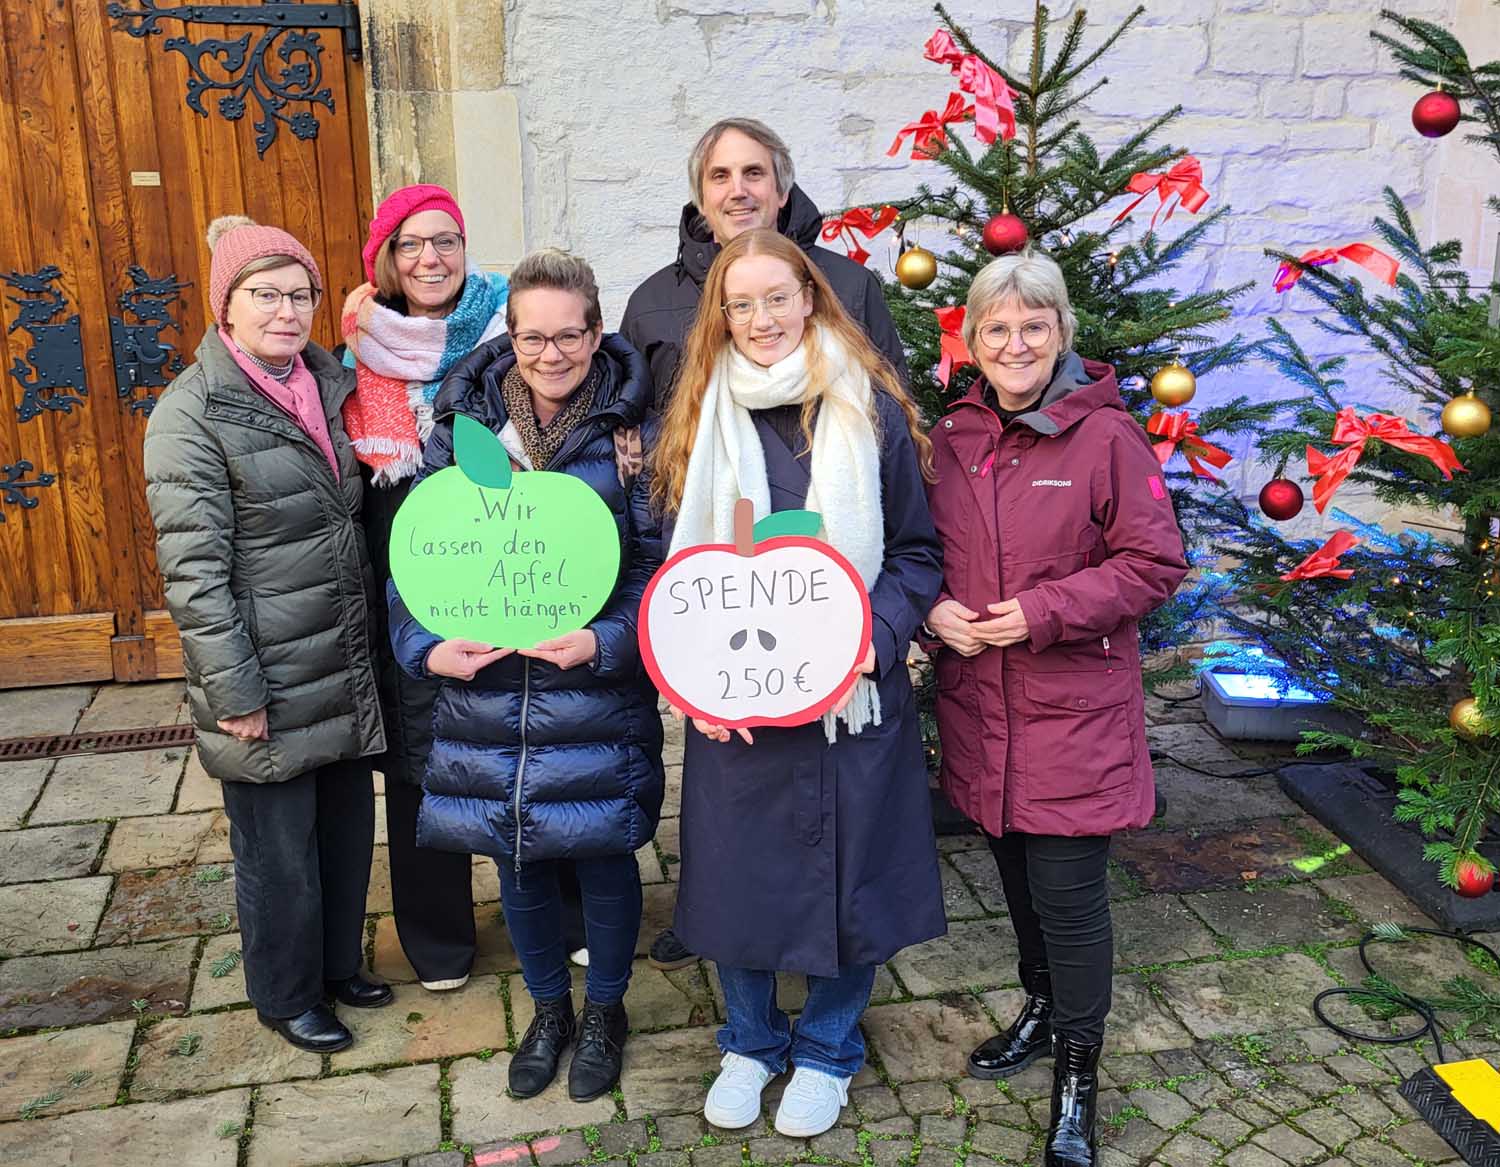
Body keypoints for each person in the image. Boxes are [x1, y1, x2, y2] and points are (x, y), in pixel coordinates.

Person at [649, 227, 946, 1138]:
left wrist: (873, 638)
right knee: (735, 877)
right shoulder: (701, 419)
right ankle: (749, 1039)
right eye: (740, 303)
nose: (761, 317)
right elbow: (684, 580)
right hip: (738, 701)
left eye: (777, 297)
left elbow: (917, 553)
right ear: (720, 315)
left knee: (854, 878)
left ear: (810, 297)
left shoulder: (869, 410)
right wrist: (696, 682)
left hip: (853, 700)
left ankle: (826, 1047)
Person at [621, 115, 910, 973]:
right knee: (738, 843)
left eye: (754, 172)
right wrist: (686, 657)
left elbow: (902, 498)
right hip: (731, 636)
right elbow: (642, 456)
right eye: (720, 175)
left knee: (845, 842)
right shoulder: (656, 312)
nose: (738, 188)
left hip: (842, 642)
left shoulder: (854, 306)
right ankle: (742, 1001)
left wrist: (880, 630)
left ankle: (830, 1020)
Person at [922, 251, 1188, 1167]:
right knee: (1018, 887)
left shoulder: (1106, 436)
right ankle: (1039, 1007)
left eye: (1033, 325)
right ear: (971, 339)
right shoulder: (950, 437)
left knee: (1071, 904)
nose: (1015, 344)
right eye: (996, 328)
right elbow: (920, 552)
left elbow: (1154, 562)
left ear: (1062, 331)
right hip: (980, 712)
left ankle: (1079, 1073)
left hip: (1072, 714)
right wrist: (931, 610)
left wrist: (1043, 611)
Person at [388, 249, 663, 1103]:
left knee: (606, 855)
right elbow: (416, 556)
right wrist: (425, 647)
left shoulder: (632, 433)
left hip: (593, 689)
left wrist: (606, 642)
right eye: (533, 337)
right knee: (517, 860)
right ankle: (549, 1011)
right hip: (491, 689)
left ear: (596, 331)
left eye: (568, 336)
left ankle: (606, 1010)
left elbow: (657, 568)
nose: (551, 354)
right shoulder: (461, 427)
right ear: (509, 336)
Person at [144, 216, 391, 1055]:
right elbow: (195, 574)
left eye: (300, 294)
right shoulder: (192, 413)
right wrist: (234, 689)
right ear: (227, 304)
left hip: (338, 656)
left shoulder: (326, 380)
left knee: (343, 829)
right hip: (265, 669)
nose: (286, 311)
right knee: (277, 851)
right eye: (265, 294)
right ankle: (287, 994)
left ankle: (336, 965)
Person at [340, 183, 512, 991]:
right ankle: (439, 938)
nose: (430, 258)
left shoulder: (509, 331)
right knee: (419, 756)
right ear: (387, 258)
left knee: (523, 741)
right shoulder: (357, 352)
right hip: (405, 574)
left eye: (445, 240)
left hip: (506, 561)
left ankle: (560, 913)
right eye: (409, 244)